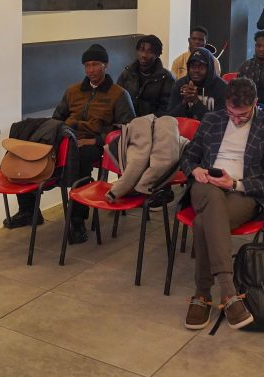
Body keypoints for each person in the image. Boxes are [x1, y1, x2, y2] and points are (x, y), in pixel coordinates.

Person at [181, 77, 264, 331]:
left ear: (255, 103)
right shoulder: (212, 120)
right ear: (225, 104)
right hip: (205, 185)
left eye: (243, 115)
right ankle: (228, 291)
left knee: (204, 222)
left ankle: (202, 293)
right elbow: (188, 157)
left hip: (243, 191)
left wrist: (235, 184)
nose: (236, 120)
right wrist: (195, 170)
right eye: (231, 113)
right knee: (212, 197)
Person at [51, 43, 136, 243]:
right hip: (69, 138)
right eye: (87, 65)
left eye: (96, 64)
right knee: (31, 146)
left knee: (80, 158)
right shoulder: (72, 91)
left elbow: (127, 128)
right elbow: (57, 118)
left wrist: (94, 140)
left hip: (95, 143)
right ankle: (28, 209)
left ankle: (77, 220)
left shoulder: (118, 94)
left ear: (105, 65)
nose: (91, 70)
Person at [117, 34, 175, 117]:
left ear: (157, 55)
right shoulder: (127, 73)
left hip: (154, 122)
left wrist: (147, 120)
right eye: (141, 50)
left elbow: (166, 109)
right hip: (128, 120)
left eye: (150, 52)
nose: (144, 55)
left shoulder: (166, 78)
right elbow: (118, 99)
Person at [167, 47, 228, 120]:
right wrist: (184, 102)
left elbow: (219, 122)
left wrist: (196, 101)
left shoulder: (222, 88)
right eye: (193, 66)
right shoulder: (180, 84)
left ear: (209, 68)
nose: (196, 70)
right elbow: (170, 119)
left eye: (201, 67)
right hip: (183, 126)